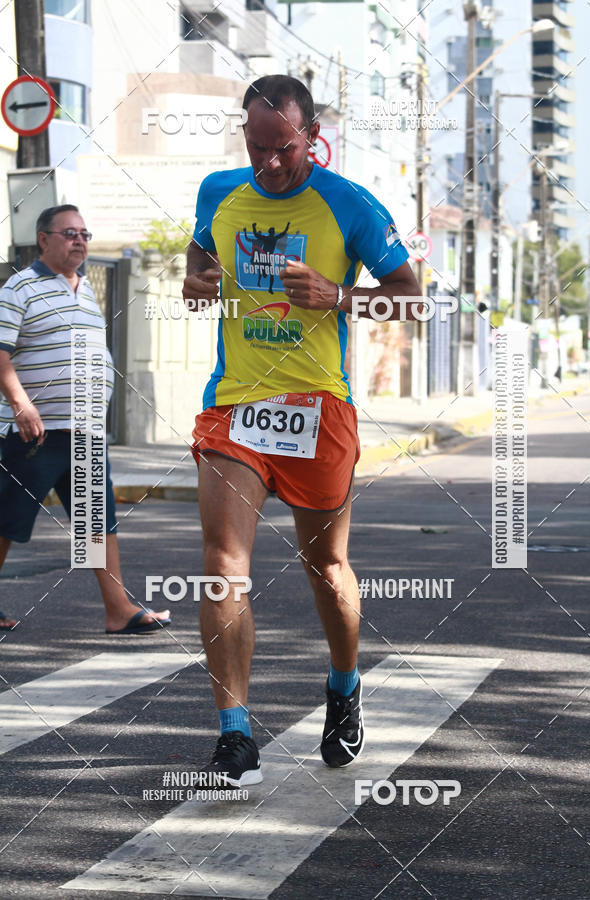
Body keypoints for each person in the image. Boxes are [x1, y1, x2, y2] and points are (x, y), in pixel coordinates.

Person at [183, 75, 421, 786]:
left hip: (320, 408)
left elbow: (412, 301)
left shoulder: (348, 203)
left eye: (281, 148)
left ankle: (344, 685)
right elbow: (201, 254)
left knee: (327, 571)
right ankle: (234, 736)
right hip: (236, 409)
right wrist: (198, 280)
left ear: (311, 136)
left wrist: (339, 295)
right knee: (224, 563)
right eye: (254, 147)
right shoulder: (218, 191)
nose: (267, 163)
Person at [0, 205, 171, 635]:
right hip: (34, 432)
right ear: (44, 239)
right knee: (6, 520)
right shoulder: (19, 288)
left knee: (97, 523)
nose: (80, 240)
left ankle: (118, 609)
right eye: (69, 233)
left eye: (85, 234)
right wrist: (21, 403)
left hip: (85, 431)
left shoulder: (87, 290)